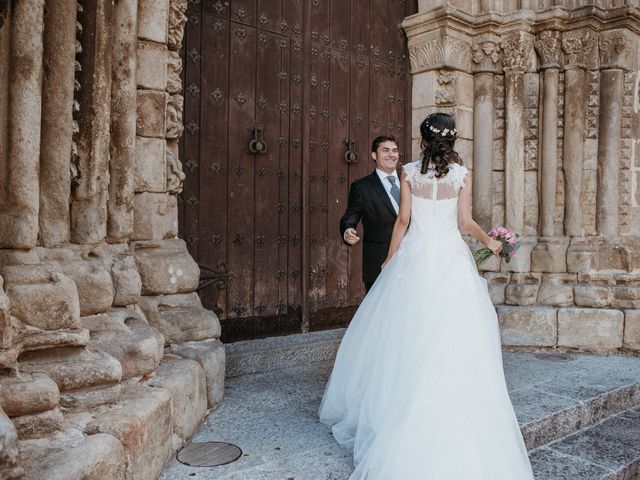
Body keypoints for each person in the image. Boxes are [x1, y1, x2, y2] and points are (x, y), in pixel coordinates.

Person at [319, 113, 534, 479]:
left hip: (415, 258)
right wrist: (490, 243)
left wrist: (390, 259)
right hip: (450, 259)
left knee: (408, 334)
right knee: (451, 333)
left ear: (422, 139)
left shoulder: (409, 172)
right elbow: (465, 223)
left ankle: (402, 405)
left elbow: (403, 221)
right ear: (453, 141)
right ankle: (448, 404)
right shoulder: (460, 175)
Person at [340, 135, 400, 293]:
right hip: (378, 260)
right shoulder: (362, 187)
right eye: (385, 150)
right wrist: (348, 231)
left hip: (410, 258)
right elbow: (350, 217)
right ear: (374, 155)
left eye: (394, 150)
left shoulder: (411, 183)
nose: (391, 154)